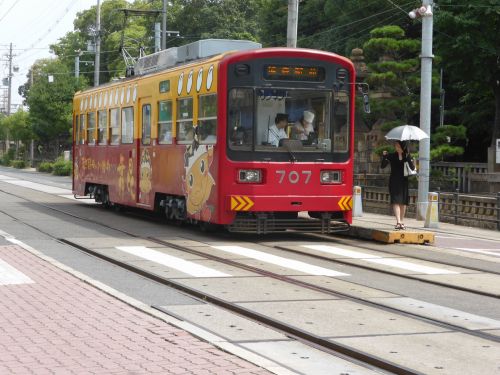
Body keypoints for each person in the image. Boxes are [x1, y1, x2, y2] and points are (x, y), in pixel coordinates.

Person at [381, 141, 416, 230]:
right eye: (396, 146)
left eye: (398, 146)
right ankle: (398, 222)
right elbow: (383, 166)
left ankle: (402, 221)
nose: (397, 148)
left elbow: (412, 168)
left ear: (403, 147)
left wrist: (408, 157)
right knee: (395, 201)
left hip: (403, 181)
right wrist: (384, 156)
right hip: (394, 181)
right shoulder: (392, 155)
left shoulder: (407, 156)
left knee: (403, 202)